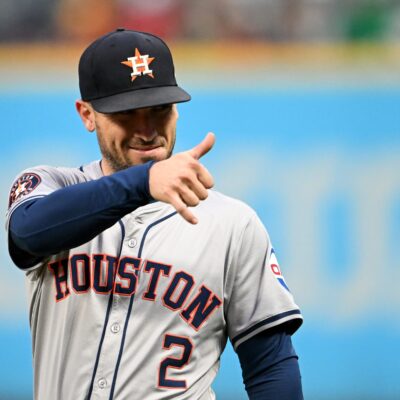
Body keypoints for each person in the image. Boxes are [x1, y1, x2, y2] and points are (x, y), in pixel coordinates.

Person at [6, 28, 304, 400]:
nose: (147, 131)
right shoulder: (51, 187)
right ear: (87, 114)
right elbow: (28, 232)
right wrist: (144, 181)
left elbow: (271, 365)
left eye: (160, 110)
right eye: (127, 114)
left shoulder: (233, 223)